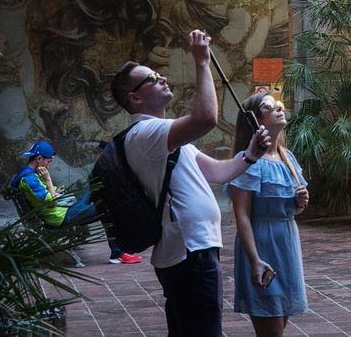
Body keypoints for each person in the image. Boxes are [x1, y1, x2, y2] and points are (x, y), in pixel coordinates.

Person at [109, 29, 271, 337]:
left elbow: (217, 173)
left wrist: (251, 154)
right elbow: (206, 118)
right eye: (153, 78)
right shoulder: (147, 133)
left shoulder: (165, 135)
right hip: (189, 252)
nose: (163, 78)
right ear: (135, 97)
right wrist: (202, 62)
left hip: (193, 249)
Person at [228, 93, 309, 337]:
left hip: (287, 242)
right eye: (269, 106)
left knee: (279, 322)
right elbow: (241, 215)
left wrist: (300, 203)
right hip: (262, 244)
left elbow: (293, 208)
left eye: (280, 105)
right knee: (270, 327)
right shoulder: (249, 161)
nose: (279, 109)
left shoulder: (287, 157)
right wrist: (254, 260)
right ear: (254, 120)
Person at [10, 139, 142, 264]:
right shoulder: (29, 179)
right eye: (48, 162)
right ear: (39, 159)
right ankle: (118, 254)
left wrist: (56, 190)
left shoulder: (31, 174)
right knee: (107, 208)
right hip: (61, 217)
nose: (48, 165)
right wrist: (49, 179)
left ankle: (110, 197)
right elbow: (52, 202)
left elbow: (48, 194)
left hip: (63, 210)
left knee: (92, 186)